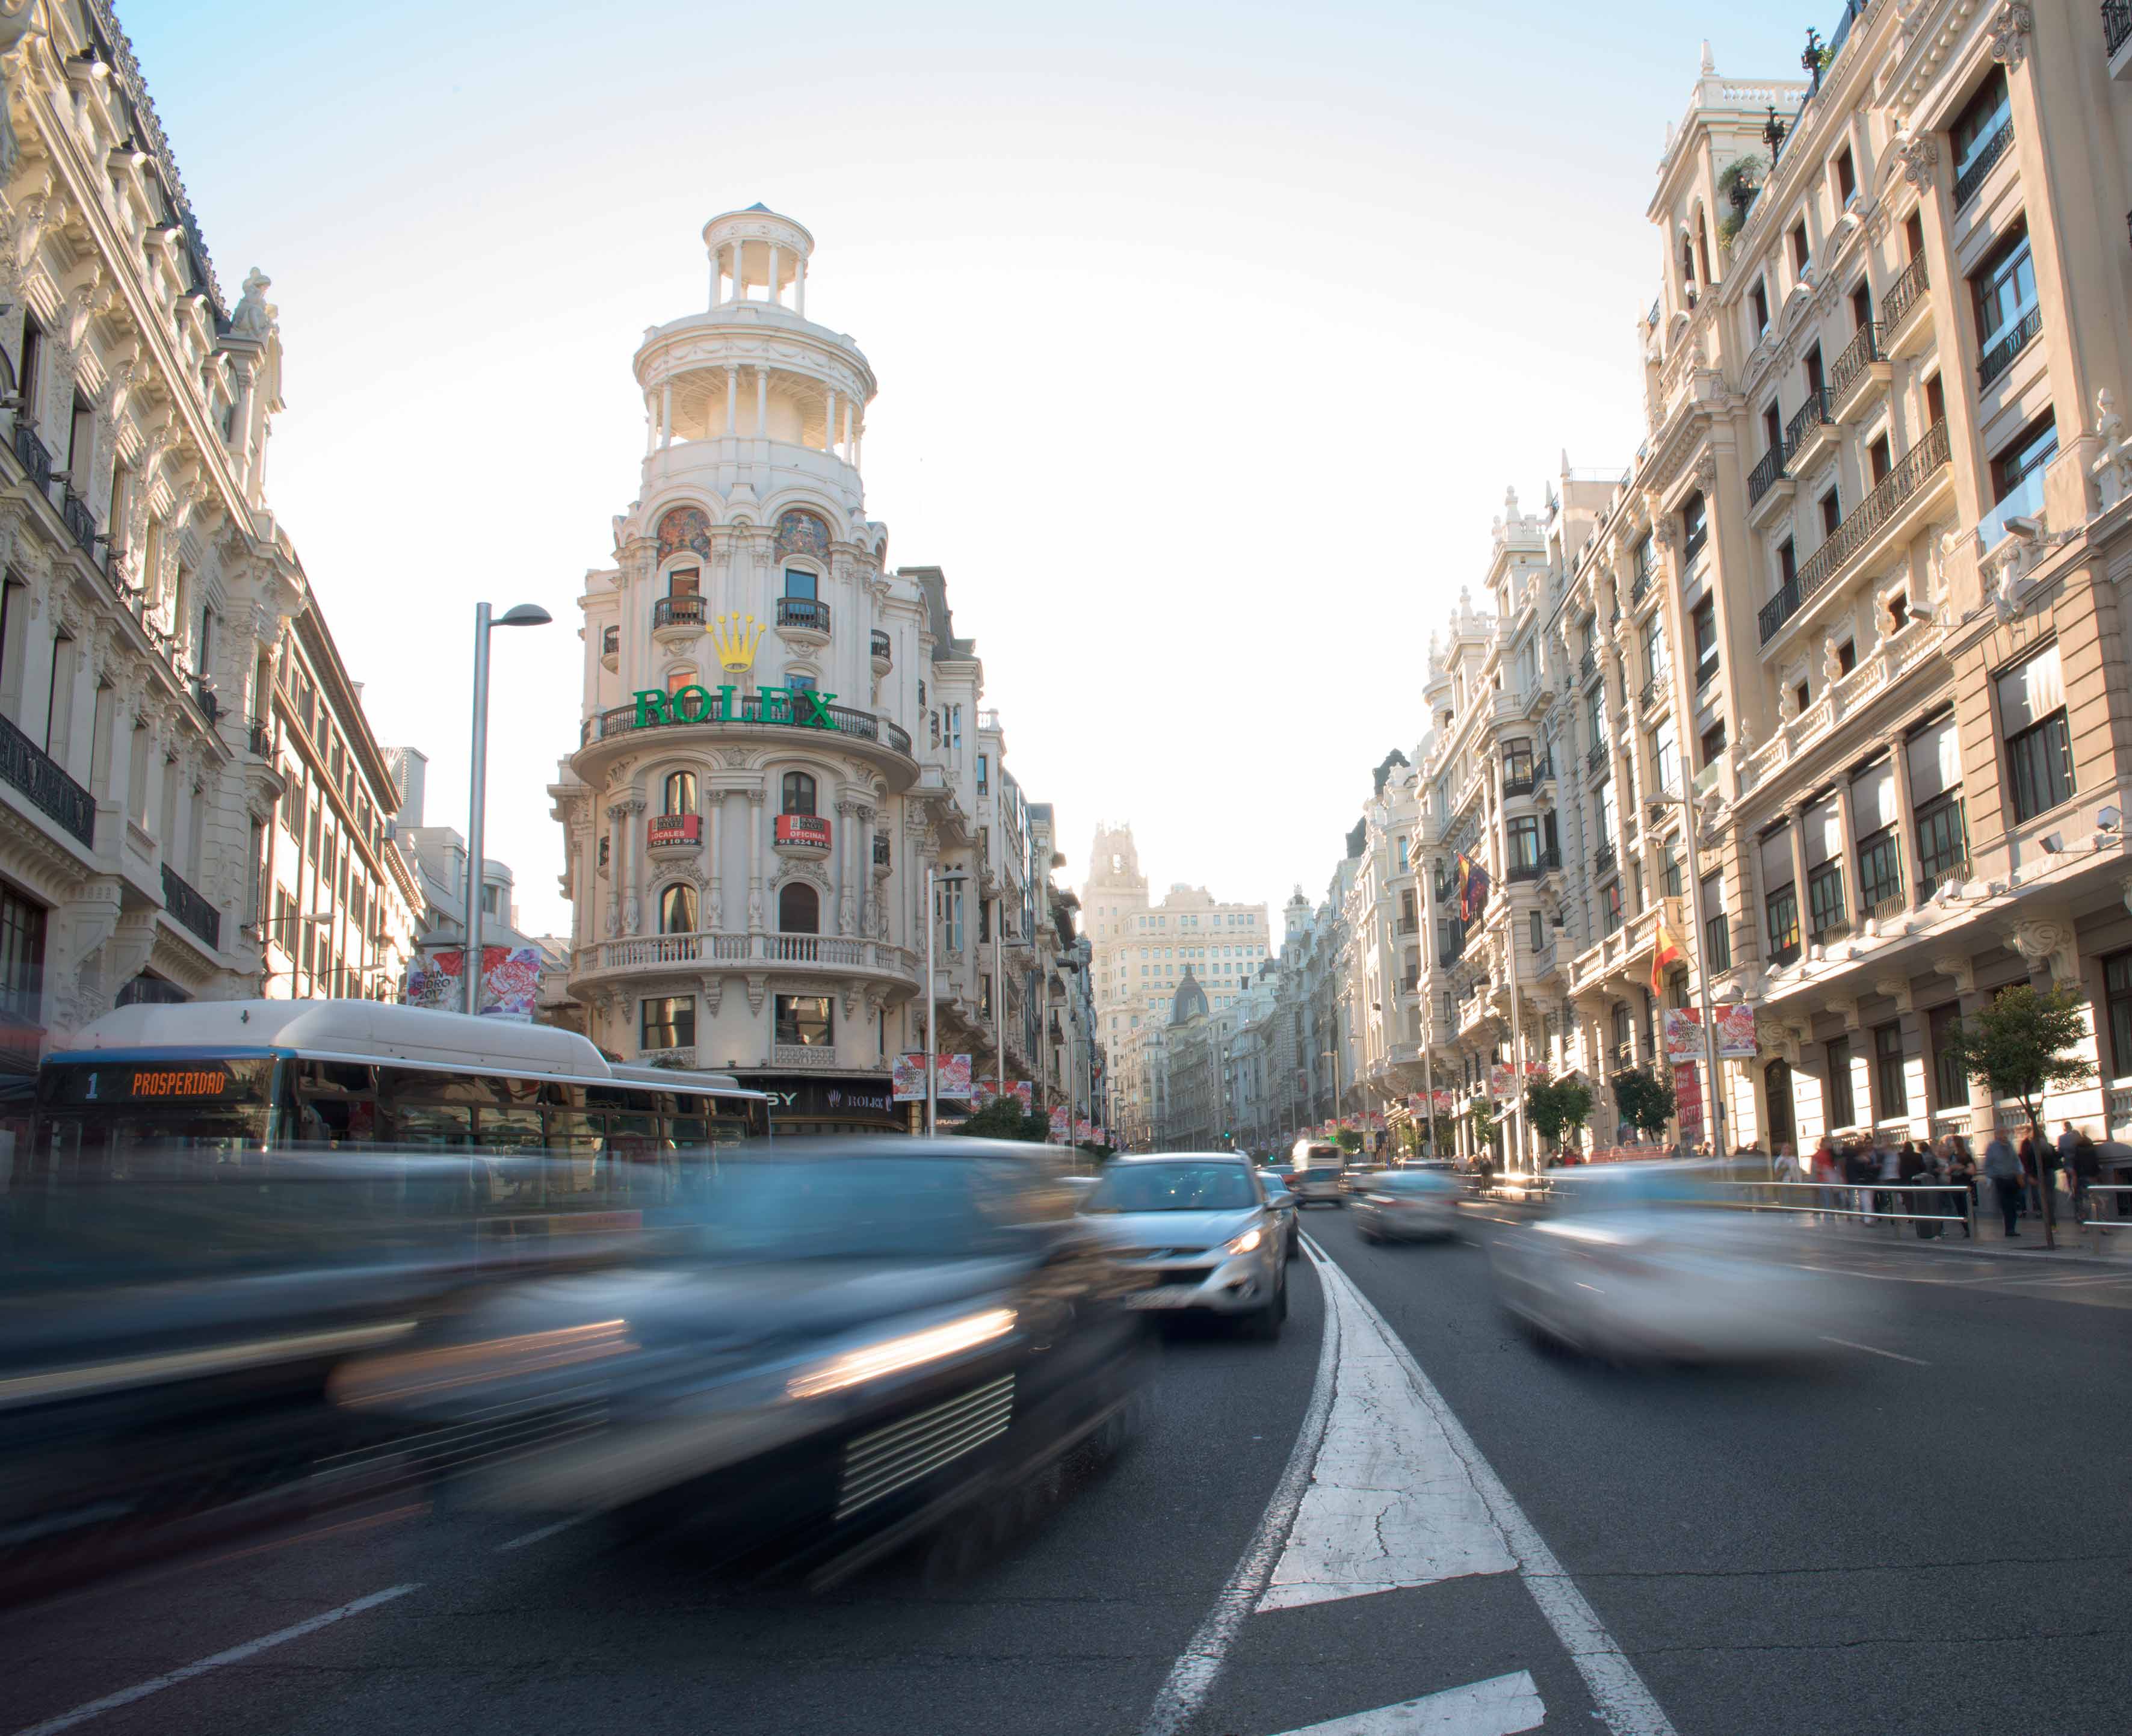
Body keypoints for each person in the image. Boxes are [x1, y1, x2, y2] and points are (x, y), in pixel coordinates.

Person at [1984, 1127, 2023, 1237]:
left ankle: (2012, 1227)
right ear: (1997, 1135)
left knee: (2013, 1204)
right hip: (2000, 1179)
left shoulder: (2009, 1146)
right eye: (2001, 1133)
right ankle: (2009, 1229)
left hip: (2012, 1178)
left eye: (2004, 1133)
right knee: (2006, 1205)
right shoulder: (1992, 1147)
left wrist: (2019, 1174)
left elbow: (2016, 1161)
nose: (2003, 1136)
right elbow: (1989, 1164)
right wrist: (1989, 1180)